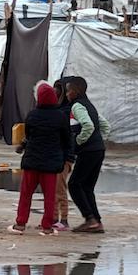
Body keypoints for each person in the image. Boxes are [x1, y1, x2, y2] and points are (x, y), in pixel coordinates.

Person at [9, 81, 69, 236]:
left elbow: (28, 136)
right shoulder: (61, 116)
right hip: (51, 164)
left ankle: (20, 224)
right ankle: (47, 227)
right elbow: (66, 139)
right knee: (49, 196)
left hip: (32, 161)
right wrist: (64, 159)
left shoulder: (32, 115)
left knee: (26, 194)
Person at [65, 77, 110, 234]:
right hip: (98, 150)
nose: (67, 94)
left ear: (76, 91)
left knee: (74, 185)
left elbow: (89, 126)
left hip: (88, 151)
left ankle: (90, 218)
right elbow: (105, 125)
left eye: (69, 90)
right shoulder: (90, 105)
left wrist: (79, 142)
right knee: (87, 187)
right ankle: (96, 221)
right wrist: (98, 140)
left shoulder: (77, 106)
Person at [52, 77, 78, 231]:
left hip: (64, 157)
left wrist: (68, 156)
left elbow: (70, 137)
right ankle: (55, 218)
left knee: (60, 189)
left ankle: (64, 219)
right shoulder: (58, 111)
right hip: (56, 157)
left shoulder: (68, 112)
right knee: (54, 189)